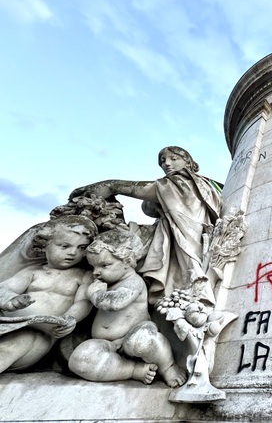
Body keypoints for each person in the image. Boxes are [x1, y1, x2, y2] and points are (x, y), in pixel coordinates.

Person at [69, 146, 222, 304]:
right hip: (179, 236)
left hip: (186, 240)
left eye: (174, 159)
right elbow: (150, 208)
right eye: (163, 161)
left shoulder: (183, 181)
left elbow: (151, 192)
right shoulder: (204, 186)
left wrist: (111, 185)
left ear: (188, 162)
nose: (167, 164)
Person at [68, 230, 187, 387]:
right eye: (93, 267)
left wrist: (95, 294)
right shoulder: (102, 284)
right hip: (106, 342)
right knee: (80, 360)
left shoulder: (133, 282)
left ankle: (169, 367)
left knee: (144, 341)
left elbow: (114, 303)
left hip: (133, 336)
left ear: (127, 261)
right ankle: (134, 370)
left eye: (104, 265)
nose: (96, 272)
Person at [0, 215, 97, 374]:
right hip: (10, 326)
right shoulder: (33, 272)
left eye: (81, 248)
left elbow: (83, 302)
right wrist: (11, 301)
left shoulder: (83, 276)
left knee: (9, 347)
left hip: (39, 335)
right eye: (64, 246)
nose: (73, 253)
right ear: (45, 245)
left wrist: (71, 318)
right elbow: (4, 288)